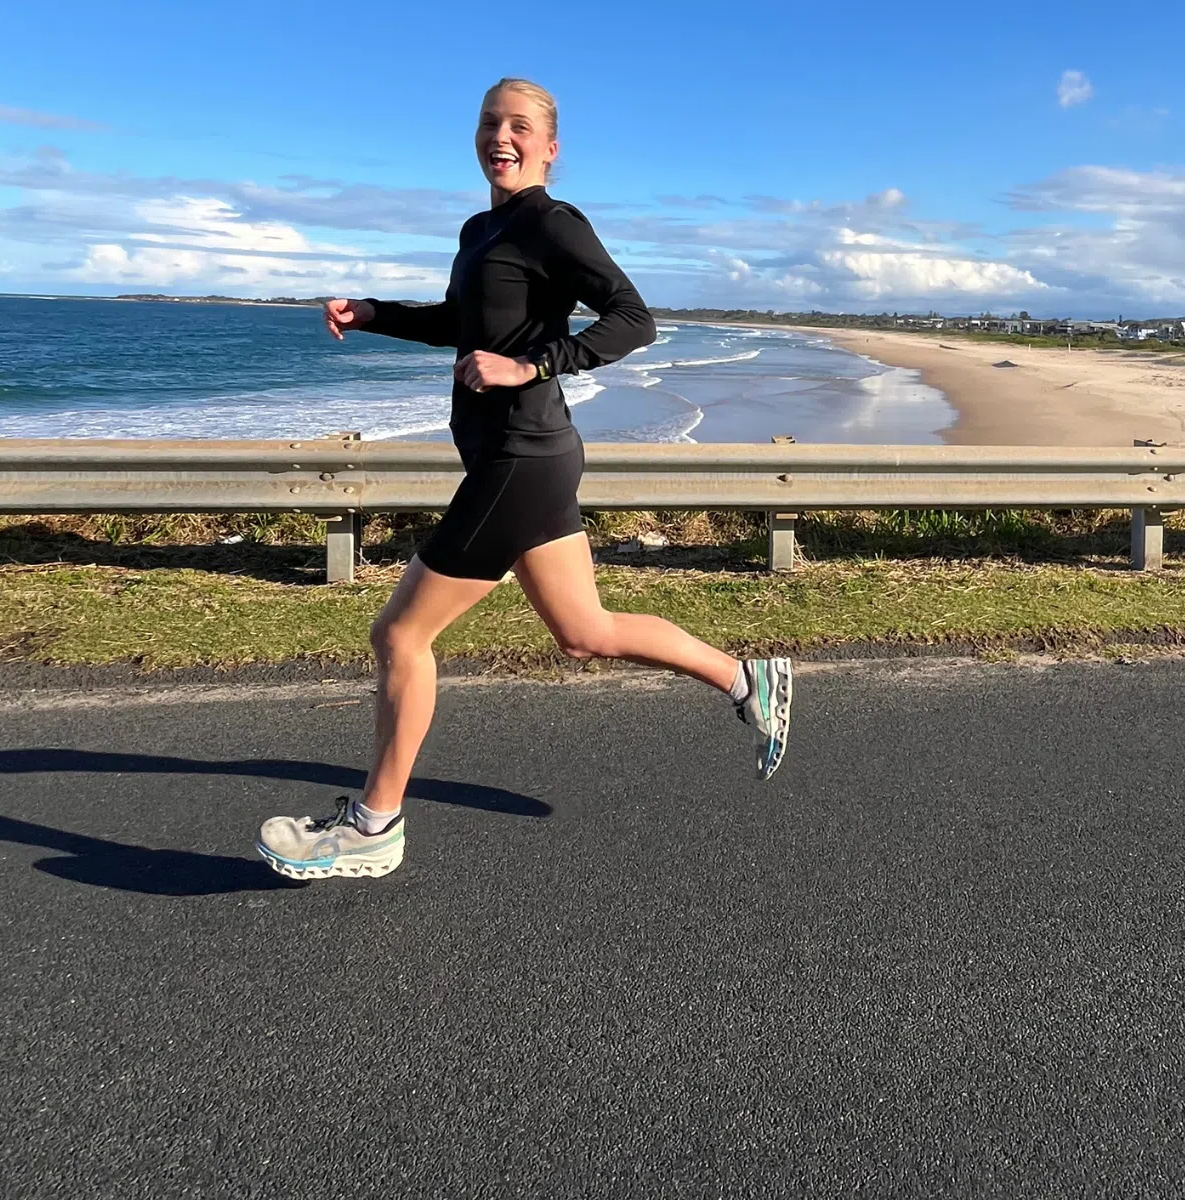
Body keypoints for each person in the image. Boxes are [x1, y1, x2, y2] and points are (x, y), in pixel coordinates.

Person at [256, 77, 792, 881]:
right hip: (524, 458)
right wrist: (374, 311)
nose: (499, 137)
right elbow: (457, 325)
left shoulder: (552, 222)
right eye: (488, 123)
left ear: (549, 147)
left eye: (518, 126)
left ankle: (374, 826)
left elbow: (630, 318)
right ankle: (745, 678)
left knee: (401, 635)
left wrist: (531, 364)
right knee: (585, 634)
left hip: (521, 456)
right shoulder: (481, 227)